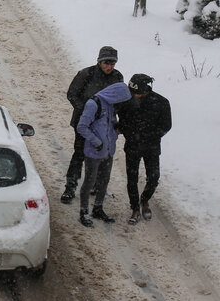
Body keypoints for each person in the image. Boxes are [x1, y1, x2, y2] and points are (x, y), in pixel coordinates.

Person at [61, 45, 124, 204]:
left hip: (106, 125)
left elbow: (120, 100)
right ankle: (70, 186)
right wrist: (90, 111)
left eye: (112, 64)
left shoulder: (117, 77)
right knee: (79, 154)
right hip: (84, 123)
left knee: (102, 155)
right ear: (99, 61)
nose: (109, 67)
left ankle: (96, 184)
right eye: (106, 63)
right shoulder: (86, 74)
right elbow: (72, 94)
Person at [117, 73, 172, 225]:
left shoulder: (161, 102)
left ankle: (145, 200)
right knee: (132, 179)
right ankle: (134, 208)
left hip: (151, 147)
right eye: (131, 92)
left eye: (137, 93)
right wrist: (129, 133)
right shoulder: (126, 101)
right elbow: (123, 121)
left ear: (146, 90)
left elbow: (166, 126)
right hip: (132, 145)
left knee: (154, 177)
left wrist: (148, 136)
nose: (134, 95)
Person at [75, 81, 131, 227]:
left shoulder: (111, 105)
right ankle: (84, 212)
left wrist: (115, 132)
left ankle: (98, 208)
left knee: (104, 181)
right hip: (94, 152)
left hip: (108, 151)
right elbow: (81, 127)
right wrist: (96, 142)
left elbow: (110, 124)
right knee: (89, 182)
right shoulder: (93, 104)